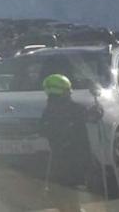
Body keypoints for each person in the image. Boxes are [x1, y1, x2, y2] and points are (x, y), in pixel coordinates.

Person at [39, 74, 94, 212]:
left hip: (59, 153)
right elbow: (90, 116)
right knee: (70, 184)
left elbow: (42, 129)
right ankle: (74, 209)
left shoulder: (49, 110)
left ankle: (69, 208)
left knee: (62, 185)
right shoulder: (72, 108)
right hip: (75, 153)